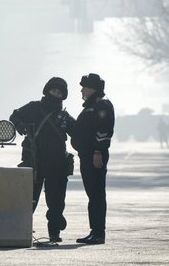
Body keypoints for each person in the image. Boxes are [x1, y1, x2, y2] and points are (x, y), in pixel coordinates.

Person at [9, 77, 75, 243]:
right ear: (47, 91)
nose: (56, 94)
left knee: (56, 201)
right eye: (54, 90)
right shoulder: (34, 108)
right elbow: (14, 116)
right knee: (28, 199)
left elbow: (78, 132)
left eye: (59, 92)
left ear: (63, 96)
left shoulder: (64, 116)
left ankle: (54, 232)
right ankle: (21, 230)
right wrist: (20, 126)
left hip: (56, 163)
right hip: (34, 161)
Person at [71, 73, 115, 245]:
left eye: (85, 87)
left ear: (92, 89)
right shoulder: (90, 106)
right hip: (86, 155)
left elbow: (103, 130)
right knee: (92, 195)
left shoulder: (101, 105)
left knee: (97, 194)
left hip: (95, 156)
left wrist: (98, 152)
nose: (82, 90)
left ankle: (99, 233)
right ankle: (94, 231)